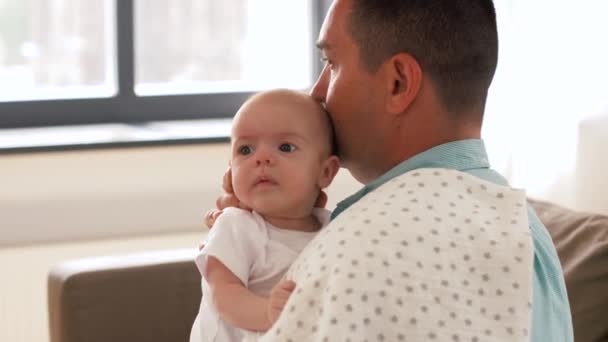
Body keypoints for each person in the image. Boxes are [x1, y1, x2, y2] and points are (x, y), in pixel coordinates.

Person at [210, 0, 574, 341]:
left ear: (398, 82)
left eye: (332, 65)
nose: (318, 92)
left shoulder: (364, 245)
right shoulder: (529, 234)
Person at [189, 89, 340, 342]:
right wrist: (267, 312)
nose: (261, 158)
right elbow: (223, 295)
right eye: (245, 150)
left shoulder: (332, 227)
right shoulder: (236, 225)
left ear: (325, 172)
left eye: (285, 147)